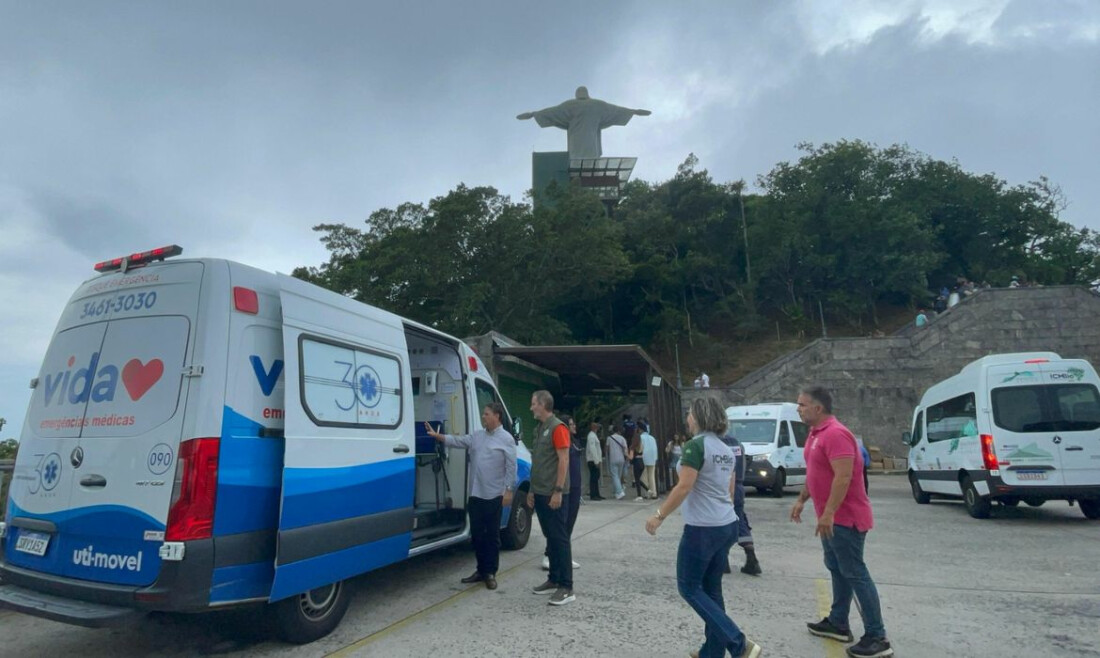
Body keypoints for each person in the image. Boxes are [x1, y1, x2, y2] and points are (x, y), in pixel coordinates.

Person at [645, 397, 761, 658]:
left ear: (698, 416)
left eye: (689, 413)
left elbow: (684, 486)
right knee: (711, 589)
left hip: (702, 528)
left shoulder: (695, 446)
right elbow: (729, 490)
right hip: (726, 523)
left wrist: (659, 515)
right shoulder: (725, 449)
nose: (687, 417)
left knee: (688, 587)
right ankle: (712, 652)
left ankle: (739, 644)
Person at [790, 386, 892, 658]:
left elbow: (843, 477)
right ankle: (838, 622)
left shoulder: (836, 434)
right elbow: (816, 472)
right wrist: (802, 499)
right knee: (837, 567)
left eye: (802, 405)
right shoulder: (815, 434)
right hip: (831, 518)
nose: (798, 409)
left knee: (855, 572)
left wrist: (829, 513)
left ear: (818, 408)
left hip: (845, 519)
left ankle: (877, 636)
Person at [424, 403, 517, 591]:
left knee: (492, 536)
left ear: (497, 416)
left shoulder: (506, 439)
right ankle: (480, 570)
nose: (483, 417)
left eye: (487, 414)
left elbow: (511, 466)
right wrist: (438, 436)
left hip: (493, 495)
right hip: (475, 494)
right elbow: (458, 441)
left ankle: (490, 573)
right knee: (477, 535)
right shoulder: (477, 436)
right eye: (483, 414)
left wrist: (508, 490)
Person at [527, 390, 575, 606]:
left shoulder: (558, 428)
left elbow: (563, 460)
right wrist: (531, 490)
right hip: (540, 491)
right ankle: (554, 579)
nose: (531, 408)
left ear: (543, 404)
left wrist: (558, 490)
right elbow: (538, 462)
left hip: (552, 493)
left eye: (533, 404)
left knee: (560, 538)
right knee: (551, 537)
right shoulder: (539, 428)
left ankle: (567, 586)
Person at [720, 433, 761, 576]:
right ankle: (751, 557)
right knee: (740, 521)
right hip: (738, 487)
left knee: (721, 523)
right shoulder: (737, 443)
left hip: (723, 486)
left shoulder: (716, 443)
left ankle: (723, 561)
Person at [627, 422, 649, 501]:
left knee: (637, 479)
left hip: (636, 462)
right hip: (641, 461)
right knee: (639, 479)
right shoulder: (640, 445)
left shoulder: (632, 447)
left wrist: (626, 453)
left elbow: (630, 457)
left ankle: (639, 495)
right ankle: (648, 490)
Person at [606, 426, 629, 500]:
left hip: (613, 458)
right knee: (618, 475)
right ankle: (616, 491)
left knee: (614, 476)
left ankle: (619, 491)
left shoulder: (609, 438)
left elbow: (607, 448)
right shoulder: (622, 438)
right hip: (621, 459)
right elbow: (625, 449)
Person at [585, 421, 604, 501]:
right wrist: (596, 461)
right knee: (594, 478)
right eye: (596, 427)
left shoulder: (594, 435)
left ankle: (597, 493)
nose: (597, 429)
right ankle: (593, 495)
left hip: (595, 460)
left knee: (596, 477)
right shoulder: (591, 436)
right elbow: (593, 449)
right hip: (592, 460)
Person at [640, 422, 659, 500]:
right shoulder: (652, 438)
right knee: (651, 476)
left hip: (644, 458)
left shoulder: (641, 437)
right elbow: (655, 448)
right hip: (652, 458)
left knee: (643, 477)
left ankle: (647, 493)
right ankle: (654, 493)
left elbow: (640, 448)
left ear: (640, 430)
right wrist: (655, 458)